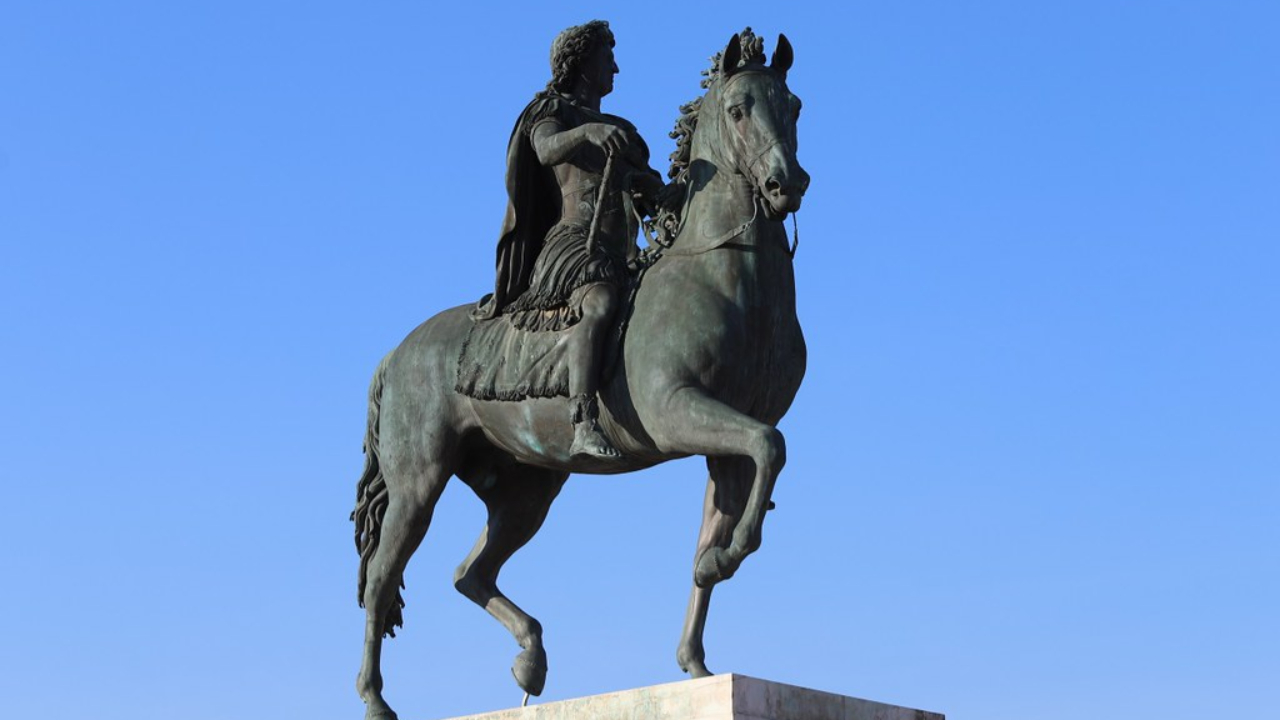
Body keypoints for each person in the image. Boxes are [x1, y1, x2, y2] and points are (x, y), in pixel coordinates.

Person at [474, 20, 664, 460]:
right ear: (581, 63)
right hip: (575, 243)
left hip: (624, 250)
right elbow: (544, 149)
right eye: (607, 57)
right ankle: (582, 421)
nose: (615, 68)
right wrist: (585, 132)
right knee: (597, 304)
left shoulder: (623, 127)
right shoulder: (552, 111)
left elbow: (647, 186)